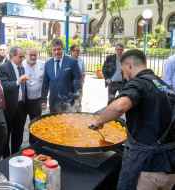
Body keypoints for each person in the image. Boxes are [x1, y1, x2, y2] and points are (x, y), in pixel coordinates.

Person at [90, 49, 175, 190]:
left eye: (123, 71)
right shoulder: (164, 86)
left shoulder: (139, 83)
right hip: (169, 167)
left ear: (129, 66)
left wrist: (99, 120)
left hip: (146, 168)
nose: (124, 77)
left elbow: (120, 106)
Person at [0, 47, 28, 156]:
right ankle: (6, 158)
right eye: (20, 56)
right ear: (12, 56)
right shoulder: (3, 67)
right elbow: (4, 86)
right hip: (9, 107)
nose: (22, 58)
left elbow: (22, 87)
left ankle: (16, 154)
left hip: (21, 106)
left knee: (19, 133)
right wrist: (18, 81)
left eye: (23, 56)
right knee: (6, 135)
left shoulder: (21, 67)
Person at [42, 38, 81, 113]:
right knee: (54, 123)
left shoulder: (72, 62)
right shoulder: (48, 64)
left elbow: (77, 81)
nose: (57, 52)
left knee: (67, 124)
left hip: (68, 103)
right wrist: (43, 99)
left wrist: (76, 100)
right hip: (53, 102)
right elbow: (45, 84)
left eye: (59, 49)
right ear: (51, 50)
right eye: (54, 50)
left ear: (63, 49)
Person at [23, 48, 44, 120]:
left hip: (37, 100)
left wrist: (44, 99)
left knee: (36, 123)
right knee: (21, 123)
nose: (33, 57)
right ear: (26, 55)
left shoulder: (42, 64)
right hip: (24, 101)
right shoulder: (21, 65)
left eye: (35, 55)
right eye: (31, 55)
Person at [70, 45, 85, 112]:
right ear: (71, 51)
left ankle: (78, 116)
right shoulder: (67, 61)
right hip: (70, 86)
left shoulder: (81, 61)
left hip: (79, 86)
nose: (78, 52)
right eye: (76, 50)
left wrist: (82, 82)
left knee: (78, 102)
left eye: (78, 51)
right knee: (70, 103)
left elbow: (83, 72)